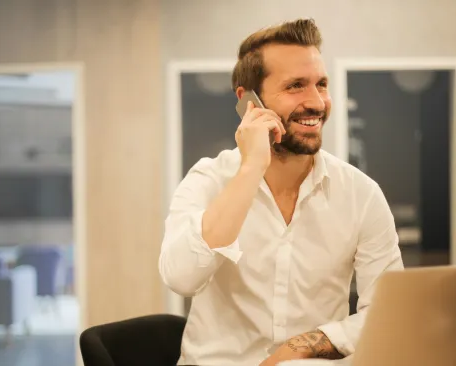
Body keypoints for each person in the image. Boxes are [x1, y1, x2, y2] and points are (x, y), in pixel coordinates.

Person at [159, 18, 404, 366]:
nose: (317, 102)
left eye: (321, 84)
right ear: (249, 103)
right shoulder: (208, 179)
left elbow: (387, 313)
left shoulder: (360, 194)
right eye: (296, 86)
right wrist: (250, 170)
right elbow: (181, 277)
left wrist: (301, 346)